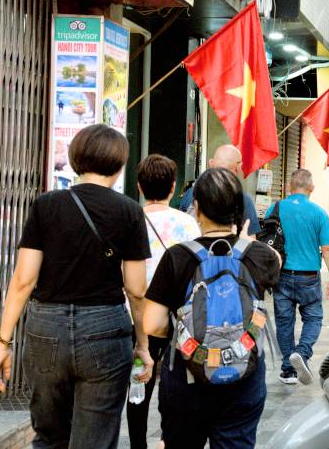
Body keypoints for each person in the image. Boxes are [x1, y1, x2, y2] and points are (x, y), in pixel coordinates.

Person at [0, 124, 154, 447]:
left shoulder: (46, 205)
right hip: (105, 330)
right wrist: (143, 345)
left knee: (48, 437)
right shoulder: (130, 212)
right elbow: (136, 289)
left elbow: (23, 280)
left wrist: (2, 343)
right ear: (120, 166)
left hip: (46, 329)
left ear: (75, 159)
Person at [143, 168, 281, 448]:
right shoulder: (259, 255)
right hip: (244, 379)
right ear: (240, 211)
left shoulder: (177, 257)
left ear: (196, 208)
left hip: (186, 379)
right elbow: (276, 259)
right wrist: (245, 238)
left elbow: (152, 324)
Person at [127, 154, 201, 449]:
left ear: (139, 186)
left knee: (139, 382)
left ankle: (137, 445)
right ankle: (166, 439)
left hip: (138, 319)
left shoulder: (129, 221)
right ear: (173, 187)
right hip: (176, 321)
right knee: (175, 384)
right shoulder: (188, 224)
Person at [266, 169, 329, 384]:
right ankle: (303, 352)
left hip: (282, 275)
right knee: (313, 318)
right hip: (309, 276)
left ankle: (288, 370)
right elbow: (327, 249)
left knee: (284, 322)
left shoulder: (275, 208)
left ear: (289, 187)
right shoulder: (318, 213)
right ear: (312, 188)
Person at [181, 145, 262, 237]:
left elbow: (181, 231)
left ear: (211, 163)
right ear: (238, 168)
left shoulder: (190, 193)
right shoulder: (243, 199)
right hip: (231, 250)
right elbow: (250, 239)